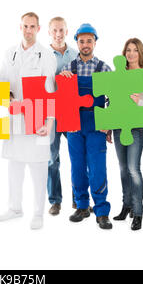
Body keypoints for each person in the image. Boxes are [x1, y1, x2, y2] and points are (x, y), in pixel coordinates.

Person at [0, 12, 57, 230]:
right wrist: (9, 99)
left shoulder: (46, 55)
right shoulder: (9, 53)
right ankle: (14, 208)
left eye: (32, 26)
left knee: (39, 167)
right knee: (15, 165)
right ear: (19, 27)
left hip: (38, 118)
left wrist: (49, 123)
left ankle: (39, 213)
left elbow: (50, 91)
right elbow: (2, 85)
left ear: (38, 29)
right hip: (15, 117)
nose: (28, 30)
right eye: (25, 26)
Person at [60, 23, 113, 230]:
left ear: (95, 42)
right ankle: (82, 206)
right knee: (77, 168)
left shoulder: (104, 68)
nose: (85, 44)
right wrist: (63, 81)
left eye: (89, 41)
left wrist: (108, 125)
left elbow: (113, 99)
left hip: (97, 125)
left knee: (98, 168)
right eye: (81, 41)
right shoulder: (68, 69)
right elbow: (63, 100)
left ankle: (101, 211)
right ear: (77, 43)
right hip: (73, 126)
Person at [112, 38, 143, 231]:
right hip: (119, 127)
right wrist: (108, 125)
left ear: (140, 53)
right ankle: (126, 205)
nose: (131, 54)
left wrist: (141, 100)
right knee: (122, 169)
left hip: (136, 128)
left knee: (133, 169)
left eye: (135, 50)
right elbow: (110, 101)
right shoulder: (118, 74)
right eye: (128, 50)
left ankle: (137, 212)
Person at [47, 17, 78, 215]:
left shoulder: (75, 54)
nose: (58, 34)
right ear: (49, 32)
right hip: (50, 113)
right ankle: (55, 201)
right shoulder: (42, 55)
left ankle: (79, 199)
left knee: (77, 156)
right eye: (55, 30)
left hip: (71, 111)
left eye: (62, 30)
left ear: (67, 31)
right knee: (52, 159)